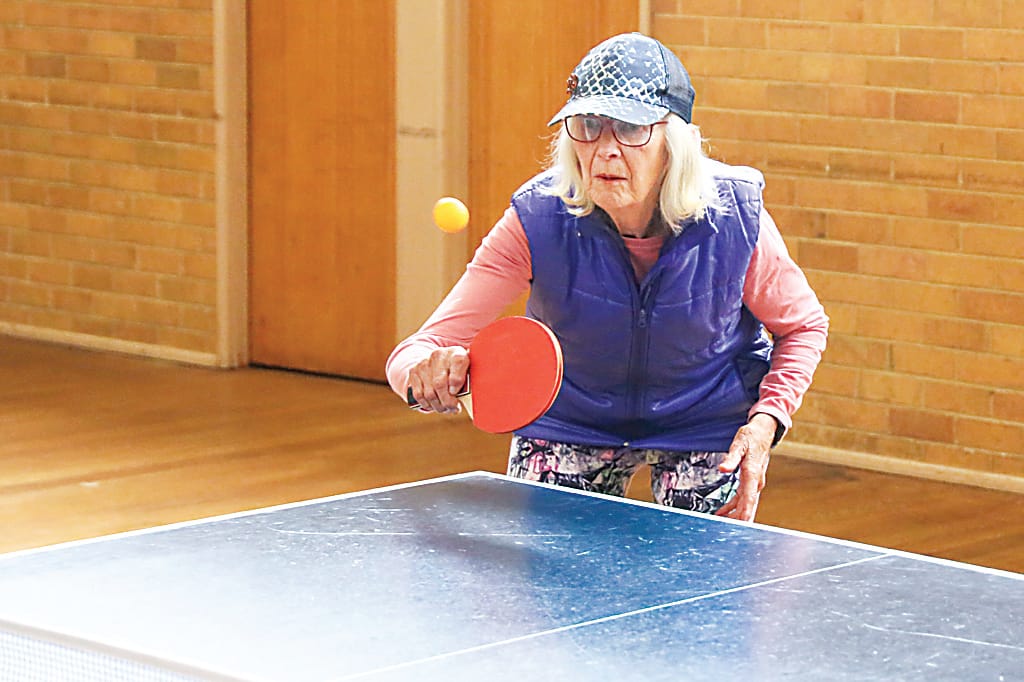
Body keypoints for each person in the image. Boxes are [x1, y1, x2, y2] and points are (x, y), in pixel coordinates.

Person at [386, 33, 828, 522]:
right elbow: (414, 352)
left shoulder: (735, 217)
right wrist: (425, 375)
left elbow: (803, 326)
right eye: (589, 126)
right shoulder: (538, 218)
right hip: (570, 419)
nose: (605, 150)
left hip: (704, 420)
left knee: (706, 567)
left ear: (673, 142)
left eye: (630, 128)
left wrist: (766, 420)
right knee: (548, 570)